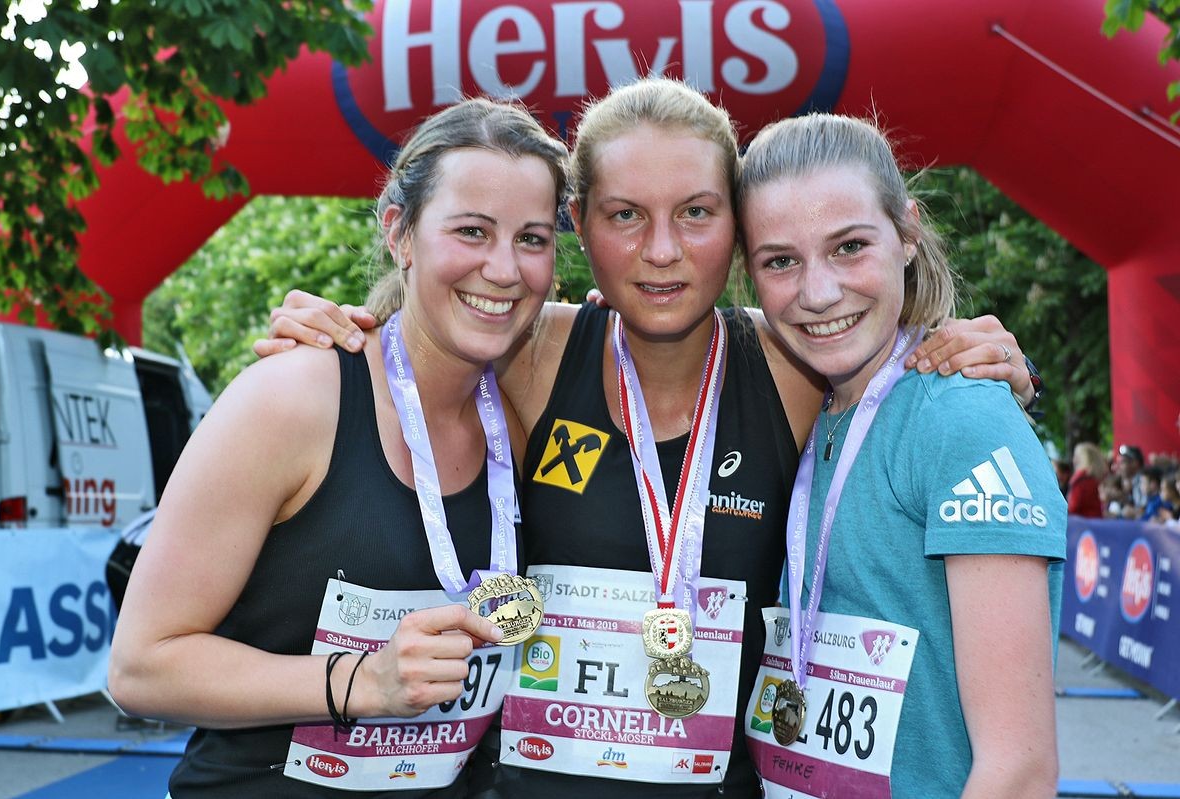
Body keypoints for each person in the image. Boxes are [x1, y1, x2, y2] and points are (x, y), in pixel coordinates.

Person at [260, 79, 1036, 798]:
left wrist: (982, 361)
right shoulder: (530, 352)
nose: (661, 251)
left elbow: (882, 359)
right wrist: (337, 333)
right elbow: (426, 336)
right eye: (625, 214)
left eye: (696, 212)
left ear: (736, 228)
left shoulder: (795, 366)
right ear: (579, 224)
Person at [107, 98, 570, 798]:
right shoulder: (294, 397)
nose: (504, 269)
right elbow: (141, 667)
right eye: (472, 231)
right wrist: (365, 681)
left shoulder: (528, 407)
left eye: (532, 239)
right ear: (400, 232)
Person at [737, 113, 1064, 798]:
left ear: (907, 234)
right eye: (781, 261)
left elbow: (1020, 771)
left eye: (850, 246)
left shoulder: (961, 418)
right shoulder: (791, 399)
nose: (818, 293)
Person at [1068, 442, 1107, 518]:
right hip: (1096, 519)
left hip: (1081, 521)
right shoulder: (1094, 479)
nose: (1073, 460)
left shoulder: (1080, 480)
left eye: (1076, 456)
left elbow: (1073, 507)